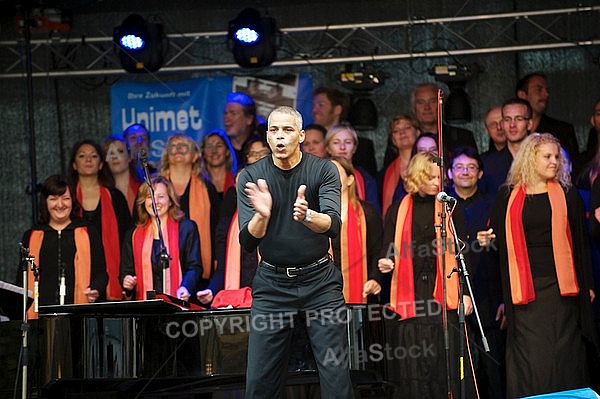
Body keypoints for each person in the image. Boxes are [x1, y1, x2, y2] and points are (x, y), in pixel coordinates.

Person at [237, 106, 354, 398]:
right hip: (272, 286)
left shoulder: (323, 169)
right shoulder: (251, 176)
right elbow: (247, 242)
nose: (280, 137)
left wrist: (307, 216)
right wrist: (262, 215)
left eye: (287, 130)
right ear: (267, 136)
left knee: (335, 375)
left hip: (320, 283)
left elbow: (333, 225)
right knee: (260, 381)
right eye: (274, 130)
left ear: (300, 135)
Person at [479, 133, 599, 397]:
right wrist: (486, 240)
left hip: (561, 288)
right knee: (530, 354)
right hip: (523, 290)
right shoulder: (507, 197)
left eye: (557, 156)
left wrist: (587, 283)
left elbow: (581, 243)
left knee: (563, 350)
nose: (554, 161)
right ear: (530, 159)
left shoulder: (568, 195)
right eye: (547, 156)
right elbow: (495, 242)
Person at [377, 151, 475, 398]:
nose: (436, 183)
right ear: (417, 176)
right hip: (411, 293)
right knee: (415, 358)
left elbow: (462, 253)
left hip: (443, 289)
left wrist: (465, 293)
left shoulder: (449, 208)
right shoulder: (398, 209)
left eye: (440, 178)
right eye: (430, 177)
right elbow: (388, 248)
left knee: (446, 359)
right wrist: (386, 262)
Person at [446, 147, 505, 399]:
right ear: (449, 173)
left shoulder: (493, 205)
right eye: (459, 167)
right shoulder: (442, 206)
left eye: (471, 167)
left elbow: (504, 250)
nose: (465, 172)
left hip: (487, 296)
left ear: (480, 173)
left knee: (492, 368)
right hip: (452, 294)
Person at [20, 175, 108, 319]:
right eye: (53, 199)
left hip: (79, 315)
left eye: (65, 198)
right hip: (40, 315)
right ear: (45, 202)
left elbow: (101, 273)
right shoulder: (31, 236)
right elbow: (21, 280)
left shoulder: (87, 231)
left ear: (73, 200)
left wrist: (95, 289)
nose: (60, 205)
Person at [196, 137, 270, 305]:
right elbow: (222, 268)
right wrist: (211, 289)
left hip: (273, 299)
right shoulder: (226, 226)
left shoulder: (278, 218)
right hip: (239, 301)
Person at [68, 139, 132, 301]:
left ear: (101, 164)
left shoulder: (115, 197)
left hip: (112, 274)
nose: (88, 160)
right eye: (82, 156)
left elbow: (128, 238)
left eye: (94, 156)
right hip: (75, 272)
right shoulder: (67, 200)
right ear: (74, 165)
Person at [120, 176, 202, 301]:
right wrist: (127, 281)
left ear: (170, 201)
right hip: (145, 308)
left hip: (179, 305)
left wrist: (186, 287)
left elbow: (194, 267)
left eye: (161, 196)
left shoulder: (187, 228)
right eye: (149, 197)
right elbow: (126, 272)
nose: (155, 201)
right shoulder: (133, 235)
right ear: (143, 202)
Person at [159, 133, 219, 283]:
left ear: (195, 156)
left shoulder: (207, 188)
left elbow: (216, 229)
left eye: (184, 146)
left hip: (199, 267)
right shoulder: (155, 187)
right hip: (161, 269)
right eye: (173, 146)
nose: (178, 149)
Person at [330, 157, 382, 303]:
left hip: (362, 291)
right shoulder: (313, 215)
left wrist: (374, 279)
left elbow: (377, 251)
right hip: (321, 296)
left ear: (349, 180)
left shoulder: (367, 213)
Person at [312, 86, 377, 176]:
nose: (314, 110)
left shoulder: (363, 147)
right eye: (314, 106)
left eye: (321, 105)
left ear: (337, 110)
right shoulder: (310, 145)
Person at [516, 72, 579, 161]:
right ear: (522, 95)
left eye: (547, 90)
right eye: (539, 89)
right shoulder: (509, 129)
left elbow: (572, 168)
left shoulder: (563, 131)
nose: (546, 94)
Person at [480, 98, 533, 196]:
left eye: (519, 119)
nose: (512, 125)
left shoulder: (542, 161)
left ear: (529, 124)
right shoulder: (487, 164)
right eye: (507, 119)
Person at [325, 123, 381, 215]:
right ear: (328, 148)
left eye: (348, 142)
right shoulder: (318, 175)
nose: (342, 147)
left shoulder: (365, 178)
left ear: (355, 148)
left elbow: (374, 213)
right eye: (336, 142)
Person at [411, 82, 477, 155]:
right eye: (421, 103)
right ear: (414, 109)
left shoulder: (463, 137)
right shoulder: (406, 140)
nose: (427, 107)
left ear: (441, 105)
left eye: (432, 101)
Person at [380, 115, 419, 216]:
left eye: (407, 128)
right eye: (396, 131)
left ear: (418, 132)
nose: (402, 133)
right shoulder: (386, 173)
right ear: (393, 140)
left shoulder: (429, 165)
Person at [103, 134, 142, 215]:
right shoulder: (101, 192)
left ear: (130, 157)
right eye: (110, 153)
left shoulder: (143, 187)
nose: (115, 157)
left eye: (120, 151)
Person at [223, 92, 263, 166]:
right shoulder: (221, 145)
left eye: (233, 113)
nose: (226, 118)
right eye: (225, 113)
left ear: (249, 119)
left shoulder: (260, 145)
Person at [200, 129, 237, 200]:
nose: (214, 151)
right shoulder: (198, 184)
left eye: (219, 146)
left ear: (227, 151)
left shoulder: (237, 181)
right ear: (203, 153)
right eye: (209, 147)